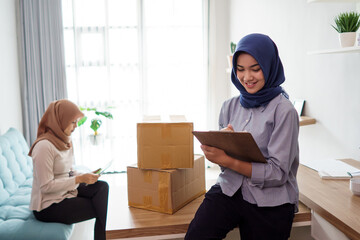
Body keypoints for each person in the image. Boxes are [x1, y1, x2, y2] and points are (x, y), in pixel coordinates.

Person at [185, 33, 299, 240]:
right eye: (240, 69)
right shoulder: (229, 106)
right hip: (230, 189)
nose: (247, 77)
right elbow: (225, 167)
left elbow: (277, 174)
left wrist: (227, 159)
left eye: (256, 69)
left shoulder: (284, 111)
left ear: (270, 66)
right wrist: (220, 148)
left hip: (271, 201)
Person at [29, 99, 109, 240]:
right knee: (99, 206)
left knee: (102, 188)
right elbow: (46, 187)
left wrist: (85, 175)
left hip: (65, 192)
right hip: (48, 206)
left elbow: (69, 171)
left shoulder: (65, 140)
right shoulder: (44, 147)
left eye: (77, 122)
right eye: (73, 122)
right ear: (60, 120)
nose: (76, 126)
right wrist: (78, 180)